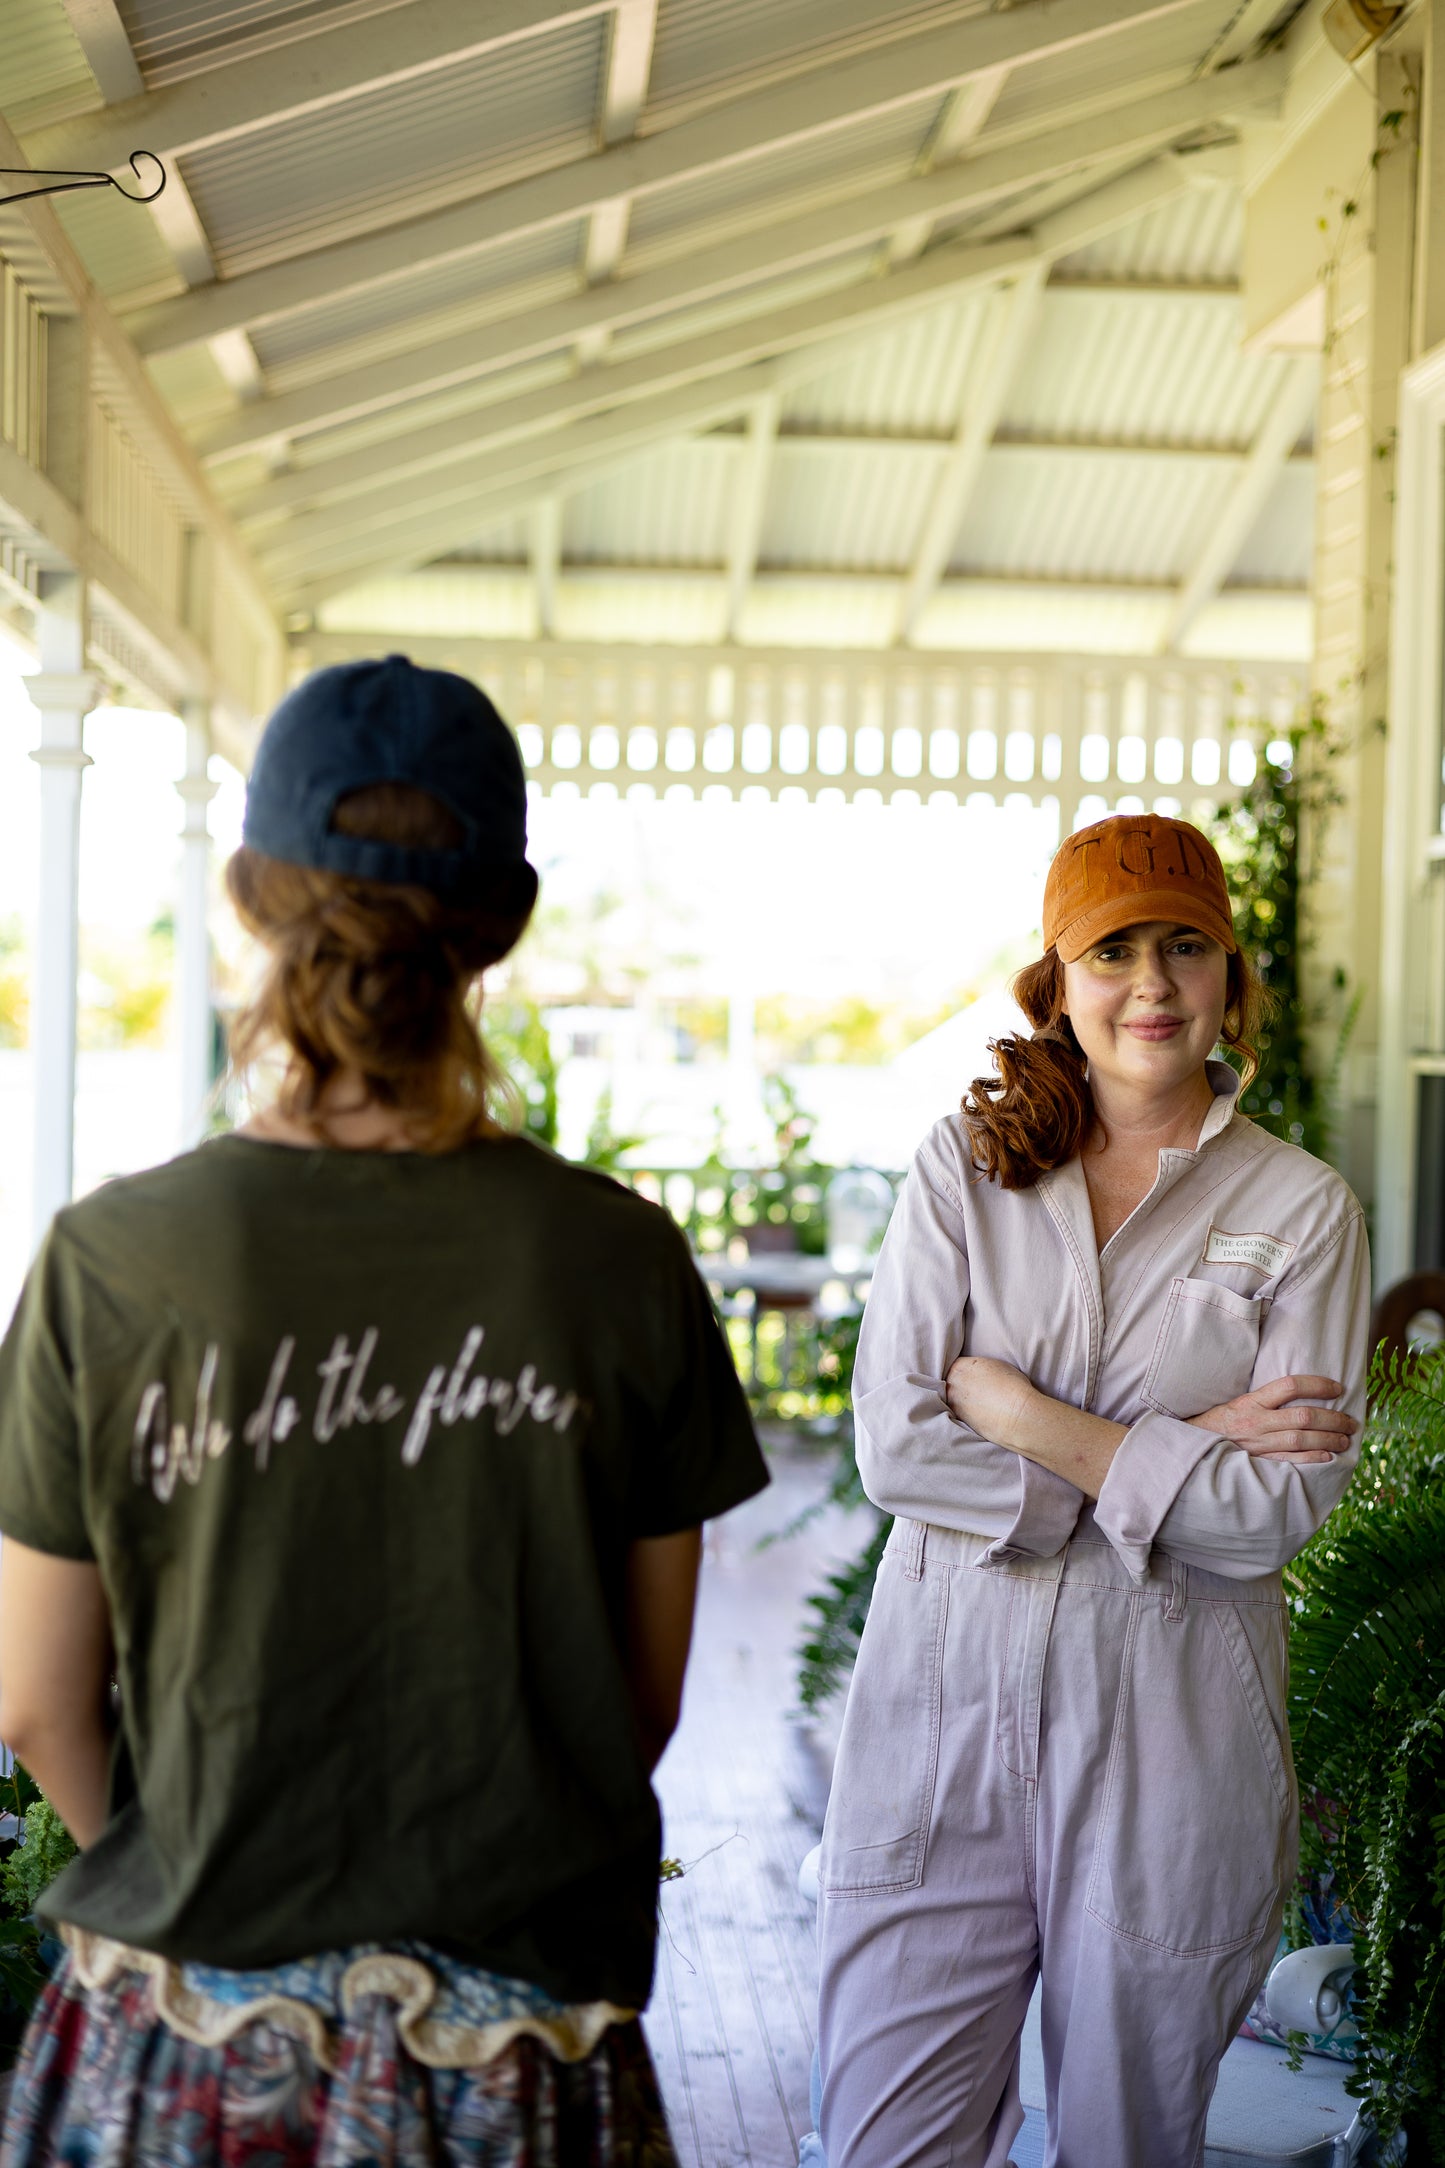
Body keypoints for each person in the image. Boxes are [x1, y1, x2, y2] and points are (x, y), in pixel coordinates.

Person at [0, 654, 768, 2166]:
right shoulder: (618, 1260)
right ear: (505, 921)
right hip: (520, 2060)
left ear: (249, 895)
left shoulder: (110, 1259)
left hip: (182, 2053)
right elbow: (641, 1705)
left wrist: (206, 1893)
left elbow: (34, 1700)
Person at [811, 813, 1369, 2168]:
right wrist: (1174, 1447)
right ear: (1056, 983)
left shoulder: (1301, 1212)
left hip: (1172, 1732)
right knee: (892, 2140)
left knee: (1128, 2146)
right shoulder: (965, 1169)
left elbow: (1273, 1516)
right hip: (940, 1712)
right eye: (1112, 950)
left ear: (1230, 979)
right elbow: (893, 1444)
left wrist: (1015, 1410)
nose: (1152, 985)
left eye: (1187, 947)